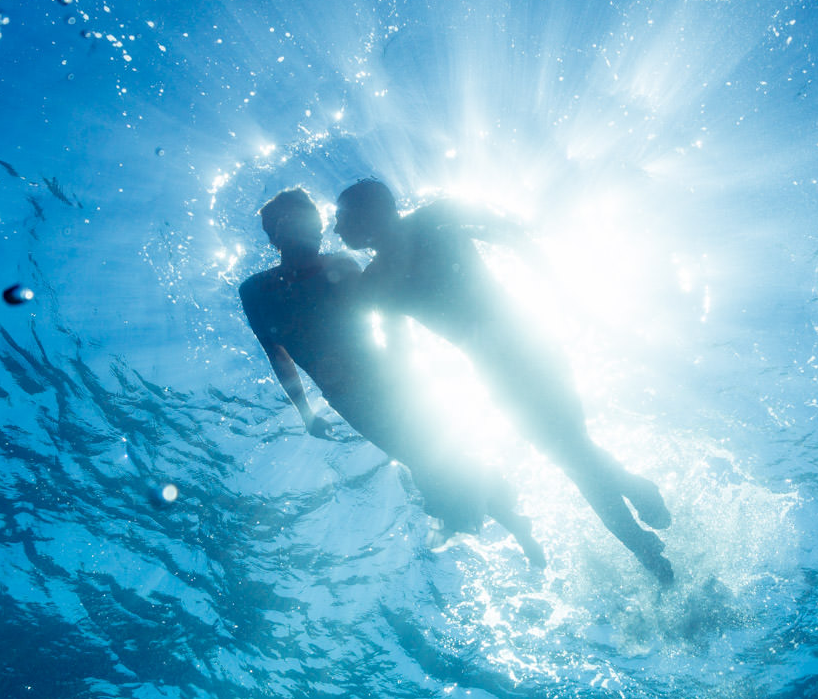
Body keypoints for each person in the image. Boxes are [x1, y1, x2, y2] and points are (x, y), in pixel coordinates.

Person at [333, 179, 675, 584]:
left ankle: (640, 533)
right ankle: (637, 508)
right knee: (573, 454)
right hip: (505, 363)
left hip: (524, 347)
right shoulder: (382, 275)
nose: (336, 231)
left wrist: (564, 297)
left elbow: (513, 235)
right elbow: (399, 349)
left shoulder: (431, 223)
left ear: (371, 211)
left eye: (342, 219)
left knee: (573, 454)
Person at [238, 187, 545, 567]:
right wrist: (305, 413)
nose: (321, 228)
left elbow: (390, 314)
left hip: (390, 379)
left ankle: (507, 520)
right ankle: (503, 517)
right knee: (422, 459)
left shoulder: (343, 265)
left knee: (434, 456)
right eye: (310, 219)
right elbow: (277, 354)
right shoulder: (254, 291)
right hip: (349, 397)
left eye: (318, 220)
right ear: (277, 232)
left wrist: (407, 369)